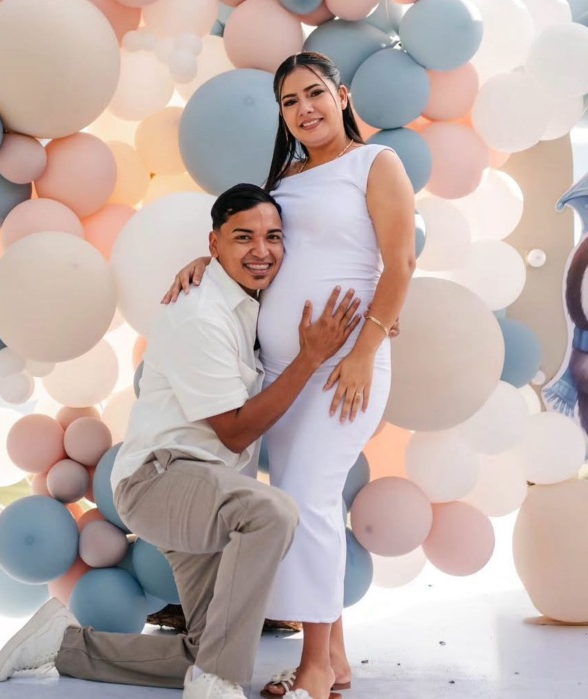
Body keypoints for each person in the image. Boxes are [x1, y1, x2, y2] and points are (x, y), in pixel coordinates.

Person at [0, 183, 363, 699]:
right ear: (214, 243)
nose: (262, 250)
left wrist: (376, 323)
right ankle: (217, 683)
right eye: (243, 238)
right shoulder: (199, 316)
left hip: (208, 488)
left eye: (273, 237)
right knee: (271, 513)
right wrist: (310, 358)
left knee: (208, 645)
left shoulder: (249, 301)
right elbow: (233, 429)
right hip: (160, 480)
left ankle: (63, 646)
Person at [164, 52, 416, 699]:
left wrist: (364, 351)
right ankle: (335, 660)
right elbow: (264, 247)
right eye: (289, 101)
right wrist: (208, 258)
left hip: (344, 365)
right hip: (284, 371)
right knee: (305, 502)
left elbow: (400, 262)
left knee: (306, 497)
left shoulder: (375, 164)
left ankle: (313, 667)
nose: (304, 109)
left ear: (342, 95)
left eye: (314, 93)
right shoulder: (287, 177)